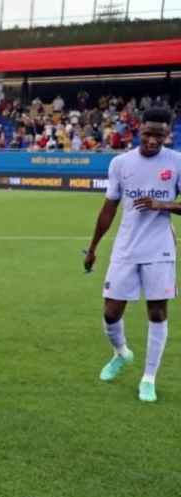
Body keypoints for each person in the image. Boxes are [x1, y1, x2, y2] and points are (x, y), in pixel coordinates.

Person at [84, 108, 181, 402]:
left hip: (159, 247)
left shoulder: (177, 162)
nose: (153, 140)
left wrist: (162, 206)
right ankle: (121, 353)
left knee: (157, 312)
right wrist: (93, 248)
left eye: (159, 135)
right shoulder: (120, 163)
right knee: (111, 312)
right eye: (148, 133)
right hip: (126, 246)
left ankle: (148, 378)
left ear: (168, 135)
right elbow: (109, 208)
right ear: (138, 130)